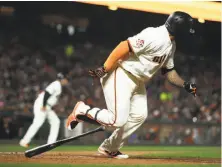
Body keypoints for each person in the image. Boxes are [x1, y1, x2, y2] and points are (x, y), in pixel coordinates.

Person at [66, 11, 197, 159]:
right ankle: (81, 110)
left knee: (139, 116)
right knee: (117, 120)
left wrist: (185, 84)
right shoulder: (155, 35)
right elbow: (124, 45)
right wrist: (104, 69)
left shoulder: (171, 45)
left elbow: (169, 71)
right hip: (122, 74)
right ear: (179, 29)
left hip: (137, 81)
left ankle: (110, 148)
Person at [19, 73, 69, 147]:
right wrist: (44, 105)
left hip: (47, 106)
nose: (67, 81)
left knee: (56, 121)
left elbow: (51, 98)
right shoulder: (56, 84)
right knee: (37, 123)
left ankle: (51, 143)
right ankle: (24, 141)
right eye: (66, 79)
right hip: (42, 105)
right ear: (63, 79)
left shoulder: (57, 85)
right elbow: (47, 93)